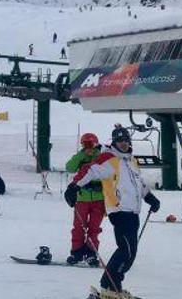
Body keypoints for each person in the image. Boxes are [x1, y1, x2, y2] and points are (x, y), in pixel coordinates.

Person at [66, 126, 160, 298]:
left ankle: (112, 285)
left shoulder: (131, 161)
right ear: (114, 142)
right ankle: (109, 285)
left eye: (126, 140)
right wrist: (73, 186)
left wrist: (149, 197)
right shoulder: (109, 158)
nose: (123, 143)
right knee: (127, 250)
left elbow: (139, 183)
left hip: (133, 212)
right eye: (119, 141)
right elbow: (89, 170)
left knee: (130, 251)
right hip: (119, 210)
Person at [65, 132, 104, 266]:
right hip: (82, 197)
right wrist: (82, 155)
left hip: (99, 198)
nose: (88, 147)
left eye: (91, 144)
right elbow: (69, 167)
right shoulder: (80, 157)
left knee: (94, 227)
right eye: (85, 144)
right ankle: (76, 252)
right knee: (79, 226)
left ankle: (91, 253)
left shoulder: (101, 157)